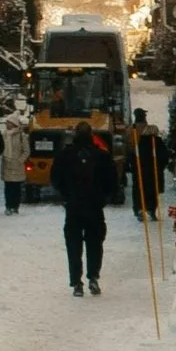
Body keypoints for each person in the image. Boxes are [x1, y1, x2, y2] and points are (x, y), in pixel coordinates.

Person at [52, 116, 116, 300]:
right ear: (91, 136)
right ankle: (93, 276)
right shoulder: (102, 156)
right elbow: (112, 181)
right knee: (95, 244)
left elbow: (55, 179)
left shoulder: (65, 155)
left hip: (73, 207)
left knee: (73, 245)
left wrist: (66, 196)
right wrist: (103, 197)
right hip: (95, 207)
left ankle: (76, 282)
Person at [0, 106, 29, 216]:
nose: (6, 124)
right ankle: (8, 206)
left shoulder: (22, 136)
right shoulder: (4, 135)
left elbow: (26, 151)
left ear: (13, 124)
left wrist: (20, 160)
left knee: (16, 187)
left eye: (8, 122)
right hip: (7, 163)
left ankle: (15, 206)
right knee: (8, 188)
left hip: (17, 165)